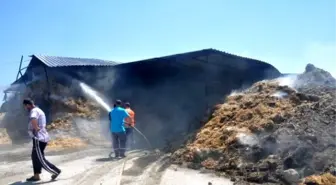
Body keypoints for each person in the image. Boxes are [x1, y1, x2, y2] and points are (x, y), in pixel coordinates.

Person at [23, 99, 61, 182]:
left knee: (40, 158)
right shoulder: (38, 110)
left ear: (27, 105)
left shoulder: (34, 111)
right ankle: (36, 176)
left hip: (39, 138)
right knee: (34, 157)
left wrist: (36, 128)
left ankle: (55, 171)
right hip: (39, 138)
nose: (25, 108)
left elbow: (33, 119)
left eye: (25, 106)